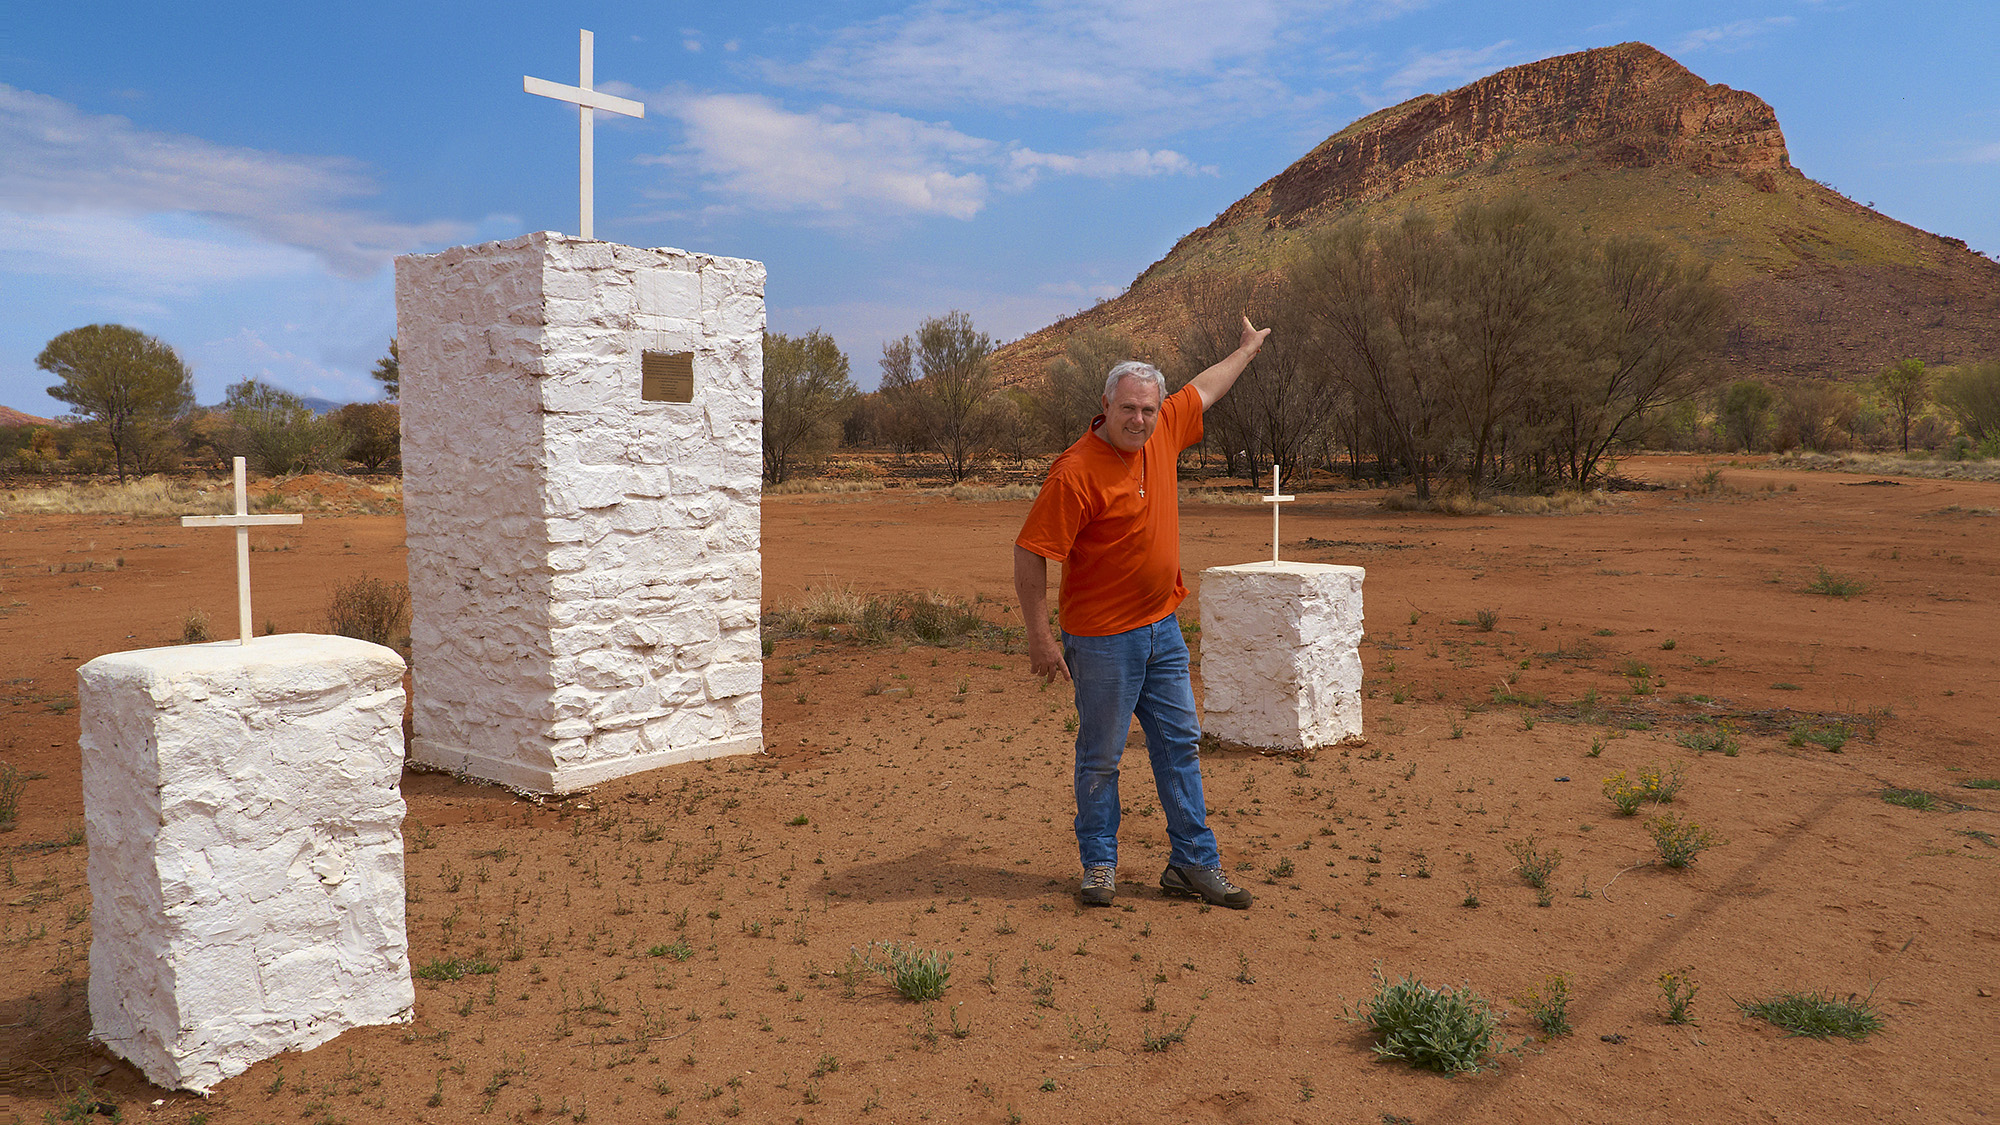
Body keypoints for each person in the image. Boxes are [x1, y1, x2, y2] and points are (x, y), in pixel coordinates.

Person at [1013, 317, 1270, 909]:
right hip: (1102, 640)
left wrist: (1246, 351)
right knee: (1102, 756)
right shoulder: (1075, 472)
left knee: (1180, 746)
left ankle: (1192, 864)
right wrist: (1039, 637)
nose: (1139, 420)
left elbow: (1205, 388)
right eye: (1128, 408)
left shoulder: (1164, 429)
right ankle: (1100, 864)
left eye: (1148, 409)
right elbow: (1031, 552)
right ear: (1105, 406)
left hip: (1163, 629)